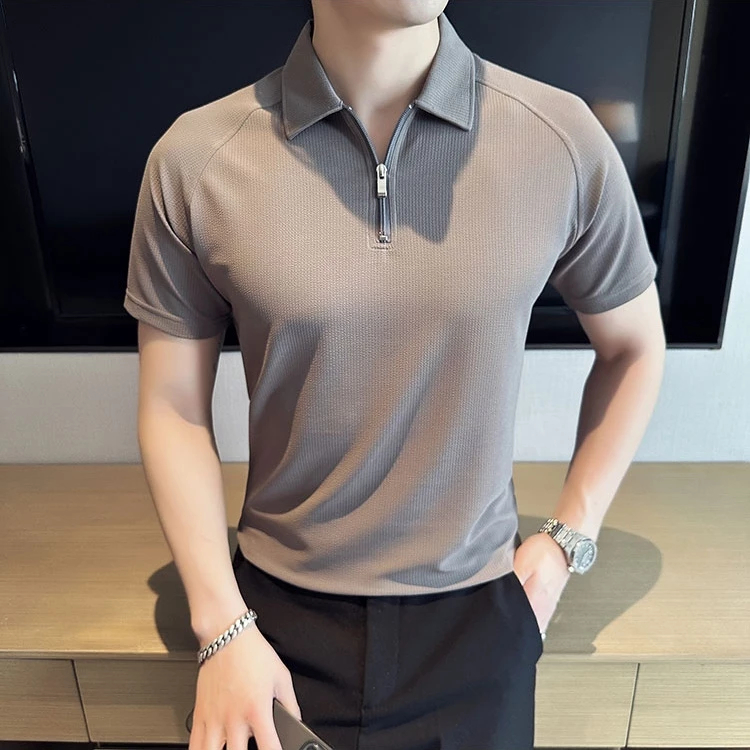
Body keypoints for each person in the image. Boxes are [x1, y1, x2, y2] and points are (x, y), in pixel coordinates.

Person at [123, 1, 665, 748]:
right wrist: (220, 624)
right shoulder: (196, 159)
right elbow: (172, 406)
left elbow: (635, 349)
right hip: (269, 625)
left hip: (479, 620)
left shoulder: (560, 138)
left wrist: (565, 544)